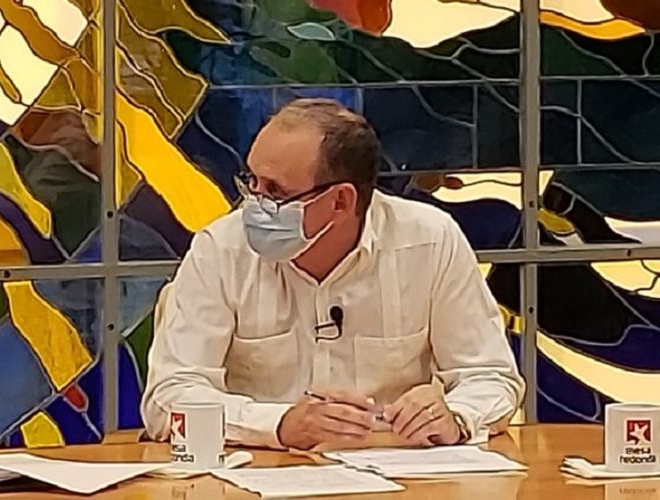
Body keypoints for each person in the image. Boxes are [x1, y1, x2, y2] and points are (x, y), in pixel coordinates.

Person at [141, 98, 525, 450]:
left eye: (274, 191)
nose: (253, 203)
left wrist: (456, 417)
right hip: (261, 476)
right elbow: (167, 400)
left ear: (340, 201)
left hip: (398, 478)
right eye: (250, 181)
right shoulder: (221, 250)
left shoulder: (430, 241)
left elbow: (492, 378)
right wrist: (279, 425)